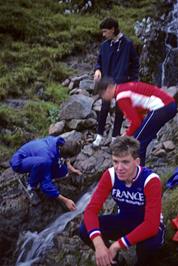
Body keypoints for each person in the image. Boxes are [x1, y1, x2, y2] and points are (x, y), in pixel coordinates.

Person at [80, 136, 165, 266]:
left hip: (148, 225)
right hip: (125, 220)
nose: (119, 167)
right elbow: (90, 211)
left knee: (150, 246)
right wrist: (98, 244)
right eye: (115, 162)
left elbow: (151, 225)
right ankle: (114, 260)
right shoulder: (110, 175)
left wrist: (117, 245)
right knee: (85, 229)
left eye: (125, 162)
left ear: (137, 161)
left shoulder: (151, 180)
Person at [95, 78, 177, 165]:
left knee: (137, 143)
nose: (103, 98)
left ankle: (140, 174)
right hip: (168, 105)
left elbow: (136, 122)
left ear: (108, 89)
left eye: (102, 95)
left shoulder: (121, 97)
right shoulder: (124, 88)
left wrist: (126, 135)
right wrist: (129, 133)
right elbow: (139, 117)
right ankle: (140, 169)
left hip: (161, 107)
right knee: (140, 138)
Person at [93, 17, 139, 147]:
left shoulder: (127, 44)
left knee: (120, 110)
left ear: (113, 29)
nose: (103, 34)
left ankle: (114, 137)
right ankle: (99, 135)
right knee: (104, 108)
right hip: (107, 83)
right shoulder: (104, 45)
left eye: (105, 31)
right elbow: (99, 61)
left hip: (122, 83)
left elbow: (135, 63)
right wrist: (97, 69)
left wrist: (133, 82)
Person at [10, 135, 82, 210]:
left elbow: (65, 158)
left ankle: (38, 171)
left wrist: (70, 168)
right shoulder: (47, 159)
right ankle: (30, 185)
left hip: (38, 156)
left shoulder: (60, 142)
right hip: (19, 162)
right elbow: (46, 186)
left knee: (63, 171)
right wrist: (66, 201)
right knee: (44, 170)